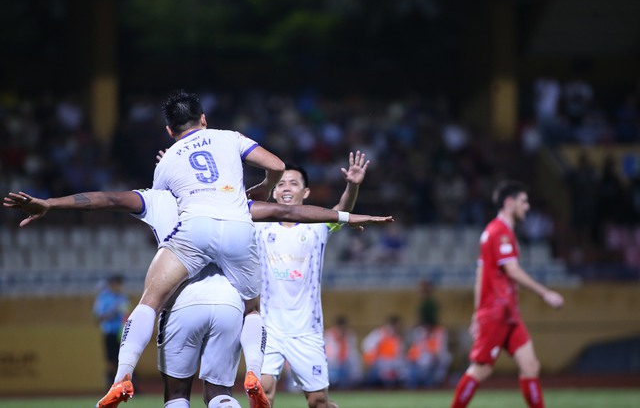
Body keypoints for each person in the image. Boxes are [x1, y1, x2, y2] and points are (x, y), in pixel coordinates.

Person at [3, 189, 393, 408]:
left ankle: (123, 374)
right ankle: (253, 369)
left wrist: (50, 204)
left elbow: (106, 199)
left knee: (175, 389)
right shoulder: (230, 204)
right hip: (228, 306)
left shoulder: (155, 199)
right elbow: (286, 208)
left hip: (181, 306)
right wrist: (350, 217)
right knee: (221, 391)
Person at [109, 89, 286, 408]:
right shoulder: (229, 137)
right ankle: (255, 372)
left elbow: (161, 209)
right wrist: (265, 189)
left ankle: (123, 374)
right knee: (253, 310)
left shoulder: (166, 164)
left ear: (169, 131)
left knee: (150, 301)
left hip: (193, 244)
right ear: (203, 119)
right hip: (237, 232)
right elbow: (277, 165)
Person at [255, 153, 368, 408]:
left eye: (293, 184)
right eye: (281, 184)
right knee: (262, 394)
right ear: (273, 193)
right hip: (267, 329)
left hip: (306, 330)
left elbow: (342, 211)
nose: (286, 188)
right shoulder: (259, 226)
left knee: (318, 402)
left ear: (305, 193)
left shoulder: (317, 227)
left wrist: (352, 185)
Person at [449, 180, 564, 408]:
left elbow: (481, 275)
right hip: (497, 312)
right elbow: (511, 270)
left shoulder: (495, 231)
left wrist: (476, 312)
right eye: (523, 201)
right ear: (509, 203)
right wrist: (545, 293)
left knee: (530, 366)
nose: (527, 206)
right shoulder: (500, 232)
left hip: (507, 311)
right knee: (481, 369)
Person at [93, 274, 130, 391]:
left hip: (122, 334)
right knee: (111, 361)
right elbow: (99, 317)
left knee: (124, 360)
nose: (118, 286)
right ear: (111, 284)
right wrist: (112, 312)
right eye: (116, 283)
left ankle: (124, 386)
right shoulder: (104, 298)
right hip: (110, 333)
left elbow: (127, 315)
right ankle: (111, 385)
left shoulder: (123, 298)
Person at [361, 315, 406, 389]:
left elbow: (398, 355)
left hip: (392, 365)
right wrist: (372, 357)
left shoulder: (397, 338)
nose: (399, 328)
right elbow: (366, 344)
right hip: (379, 363)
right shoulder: (380, 334)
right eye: (398, 326)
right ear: (393, 325)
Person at [324, 316, 362, 390]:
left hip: (346, 367)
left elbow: (352, 355)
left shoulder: (350, 336)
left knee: (354, 358)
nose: (342, 331)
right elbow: (328, 356)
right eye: (340, 328)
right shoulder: (328, 336)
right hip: (331, 367)